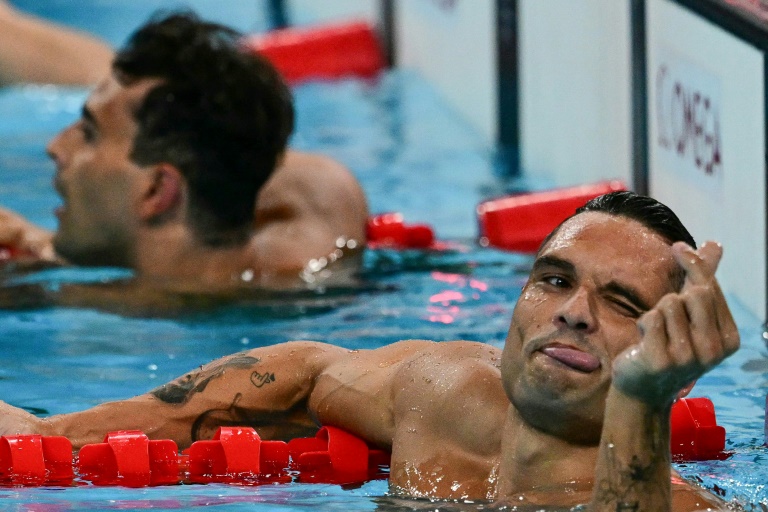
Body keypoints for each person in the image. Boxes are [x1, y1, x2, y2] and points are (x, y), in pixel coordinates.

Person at [0, 191, 740, 510]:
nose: (574, 314)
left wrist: (643, 400)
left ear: (675, 349)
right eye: (554, 280)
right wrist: (62, 436)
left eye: (621, 305)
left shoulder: (682, 508)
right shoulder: (445, 392)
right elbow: (309, 370)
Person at [0, 11, 368, 313]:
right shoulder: (322, 214)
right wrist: (37, 240)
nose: (55, 146)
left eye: (90, 133)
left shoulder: (121, 324)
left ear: (158, 189)